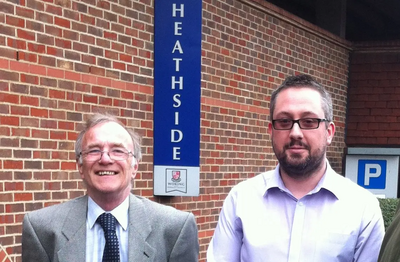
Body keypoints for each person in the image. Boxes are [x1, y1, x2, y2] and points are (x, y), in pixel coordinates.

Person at [207, 74, 384, 262]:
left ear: (329, 132)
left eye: (309, 122)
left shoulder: (362, 208)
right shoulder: (241, 200)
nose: (295, 133)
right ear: (271, 130)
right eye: (284, 122)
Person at [22, 113, 199, 262]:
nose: (105, 159)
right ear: (80, 166)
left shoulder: (175, 228)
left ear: (134, 167)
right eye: (94, 150)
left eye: (118, 151)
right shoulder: (41, 229)